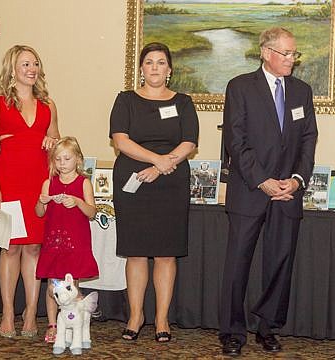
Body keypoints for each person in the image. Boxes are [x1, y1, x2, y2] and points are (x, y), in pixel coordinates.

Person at [219, 27, 318, 356]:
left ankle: (266, 327)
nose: (292, 59)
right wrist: (262, 180)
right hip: (250, 190)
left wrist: (297, 179)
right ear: (266, 52)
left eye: (294, 54)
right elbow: (236, 141)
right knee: (237, 264)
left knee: (279, 263)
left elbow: (308, 140)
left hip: (287, 193)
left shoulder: (302, 92)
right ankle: (232, 332)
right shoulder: (240, 88)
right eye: (286, 53)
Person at [109, 42, 199, 342]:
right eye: (149, 62)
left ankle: (162, 319)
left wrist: (162, 166)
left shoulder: (183, 102)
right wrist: (155, 160)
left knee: (165, 253)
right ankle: (136, 316)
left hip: (170, 182)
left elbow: (189, 143)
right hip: (133, 181)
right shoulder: (126, 100)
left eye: (161, 62)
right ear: (141, 69)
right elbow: (120, 140)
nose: (155, 67)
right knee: (135, 253)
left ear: (169, 70)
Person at [0, 45, 59, 338]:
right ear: (12, 69)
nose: (32, 68)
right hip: (9, 182)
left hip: (38, 182)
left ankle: (30, 312)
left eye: (35, 63)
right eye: (25, 64)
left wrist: (53, 143)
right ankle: (7, 312)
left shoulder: (48, 104)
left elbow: (56, 142)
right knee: (10, 247)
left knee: (34, 247)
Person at [35, 136, 99, 343]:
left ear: (78, 159)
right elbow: (39, 213)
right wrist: (41, 200)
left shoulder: (84, 183)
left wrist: (78, 202)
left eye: (67, 159)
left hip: (75, 243)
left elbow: (91, 213)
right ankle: (53, 325)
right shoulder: (49, 183)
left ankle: (74, 323)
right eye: (58, 159)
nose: (62, 164)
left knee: (71, 286)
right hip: (53, 243)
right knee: (52, 286)